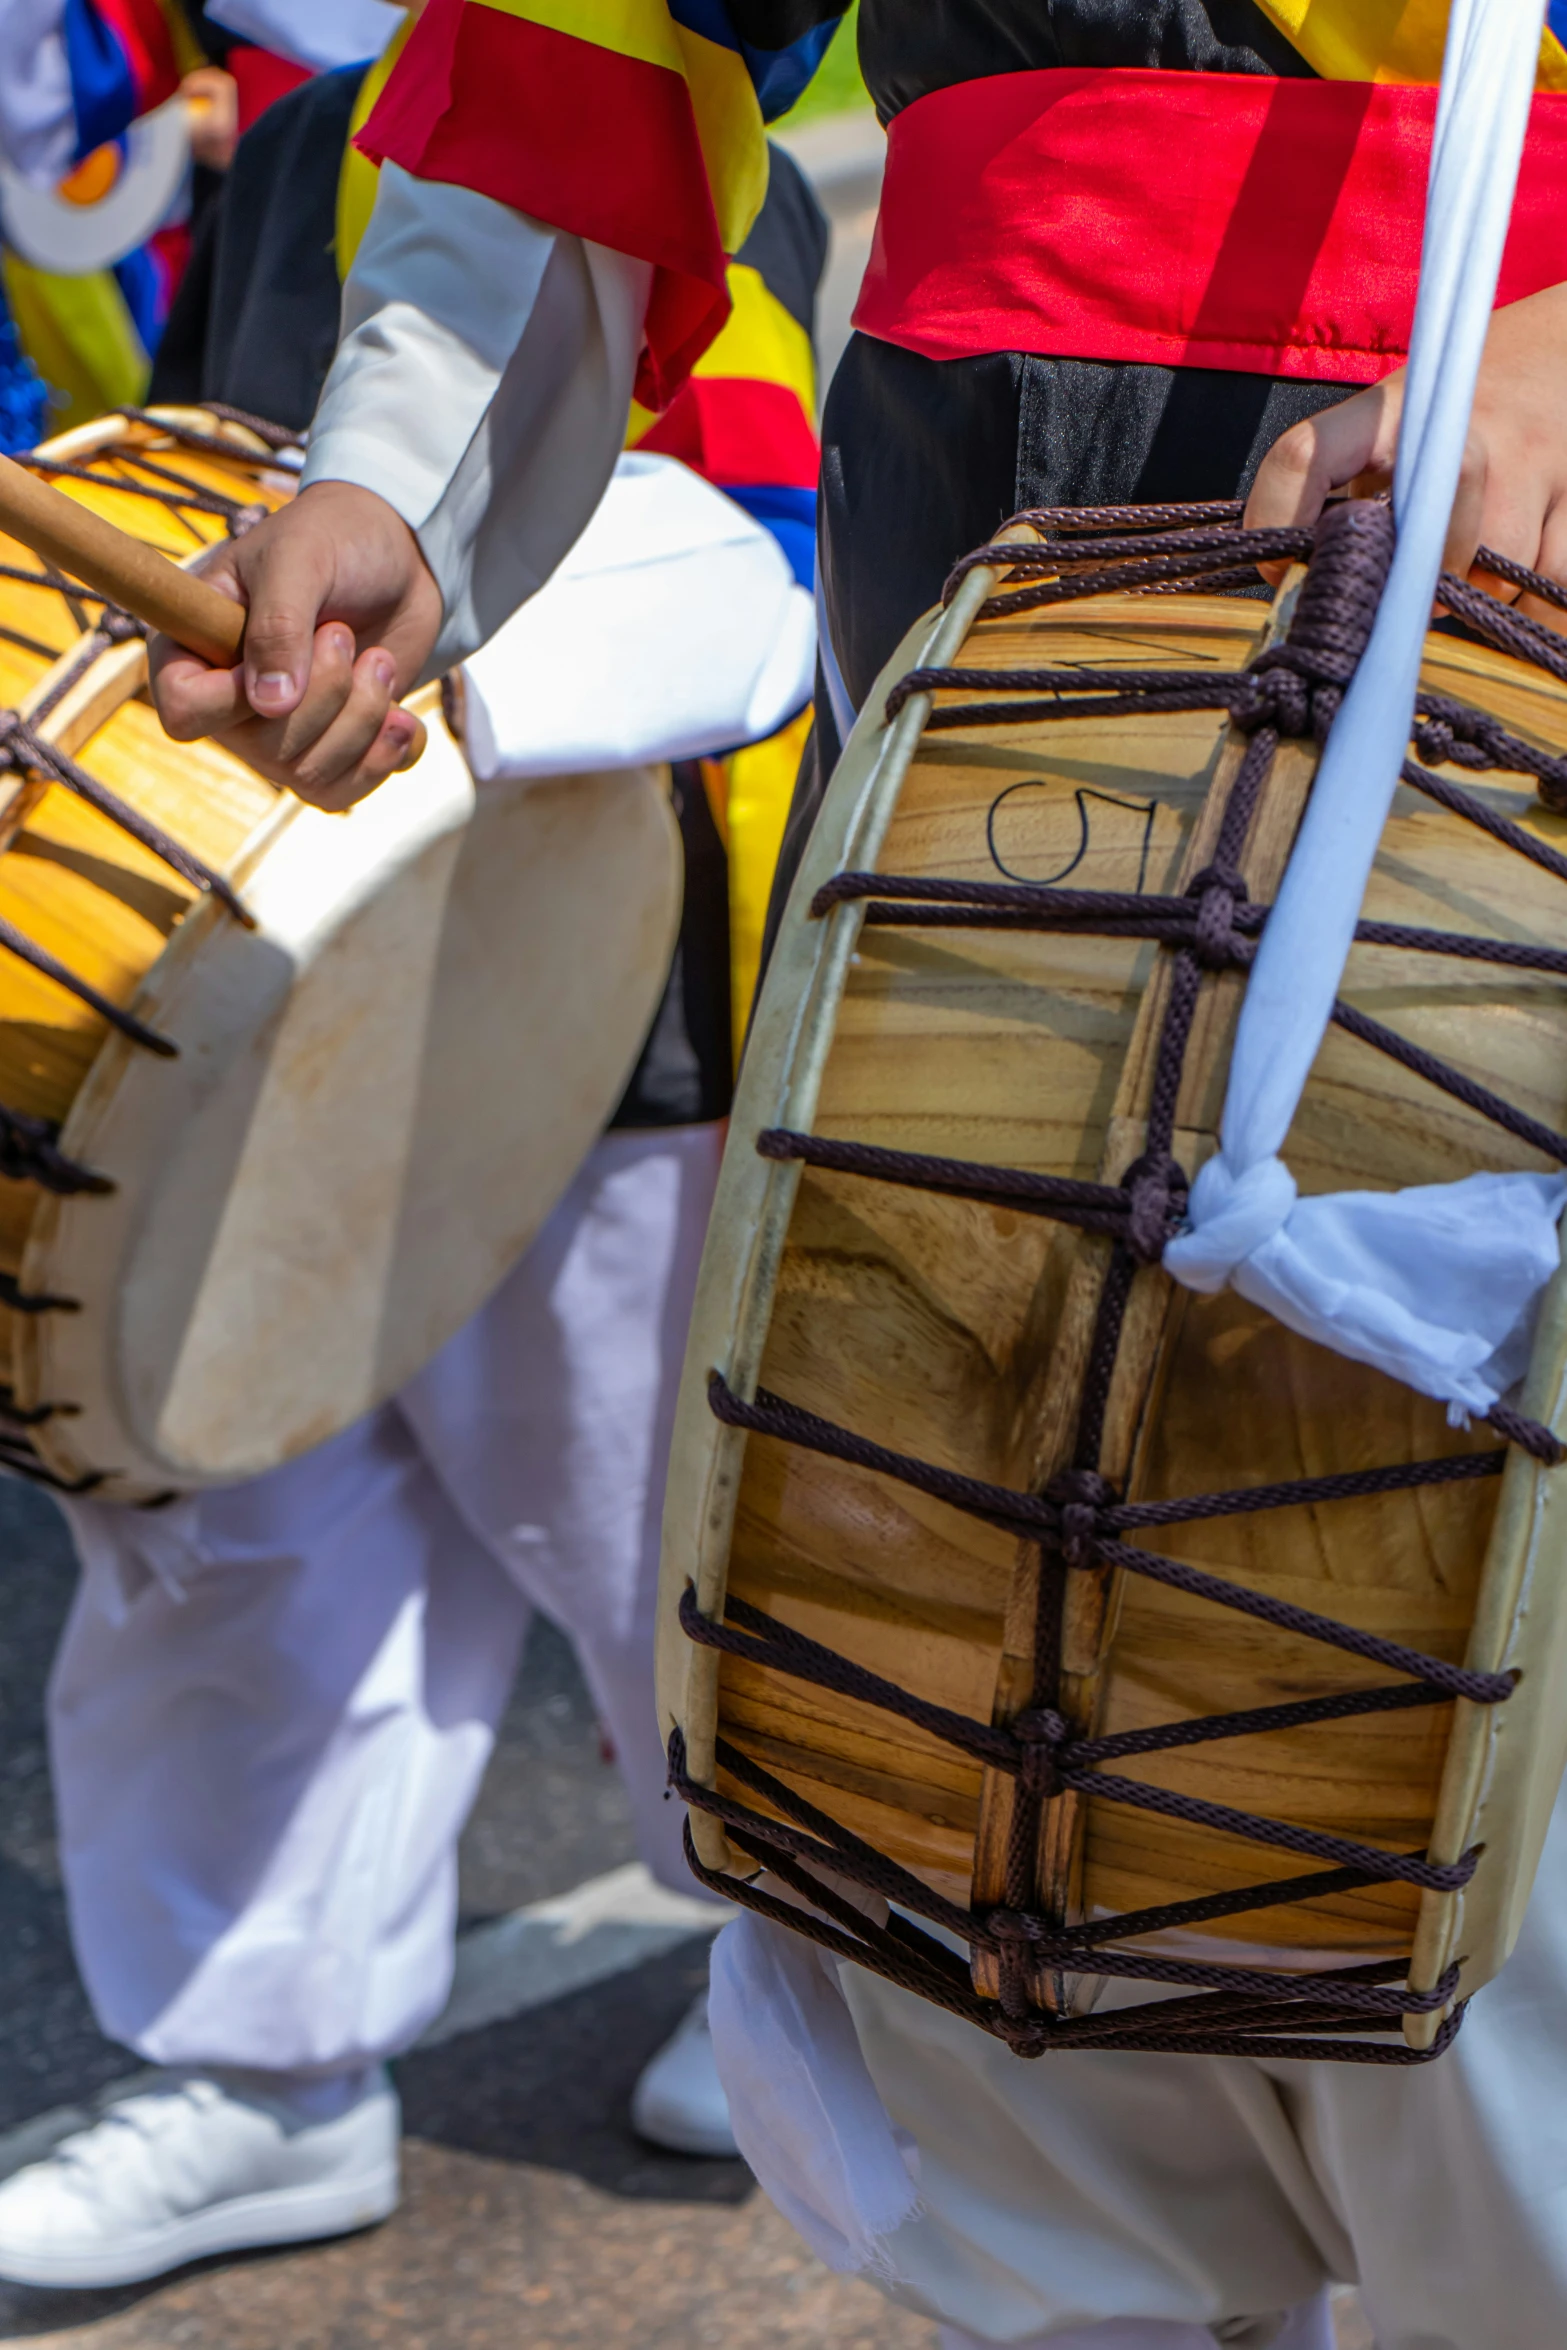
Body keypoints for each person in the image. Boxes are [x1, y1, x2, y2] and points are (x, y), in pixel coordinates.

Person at [33, 0, 1567, 2342]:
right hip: (982, 626)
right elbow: (581, 65)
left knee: (1504, 1835)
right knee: (1001, 1841)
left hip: (1494, 594)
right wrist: (402, 474)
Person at [0, 17, 827, 2295]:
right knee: (238, 1526)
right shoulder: (281, 146)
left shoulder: (645, 106)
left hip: (612, 973)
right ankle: (263, 2068)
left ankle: (799, 1969)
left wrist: (439, 693)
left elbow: (761, 564)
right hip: (247, 992)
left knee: (660, 1520)